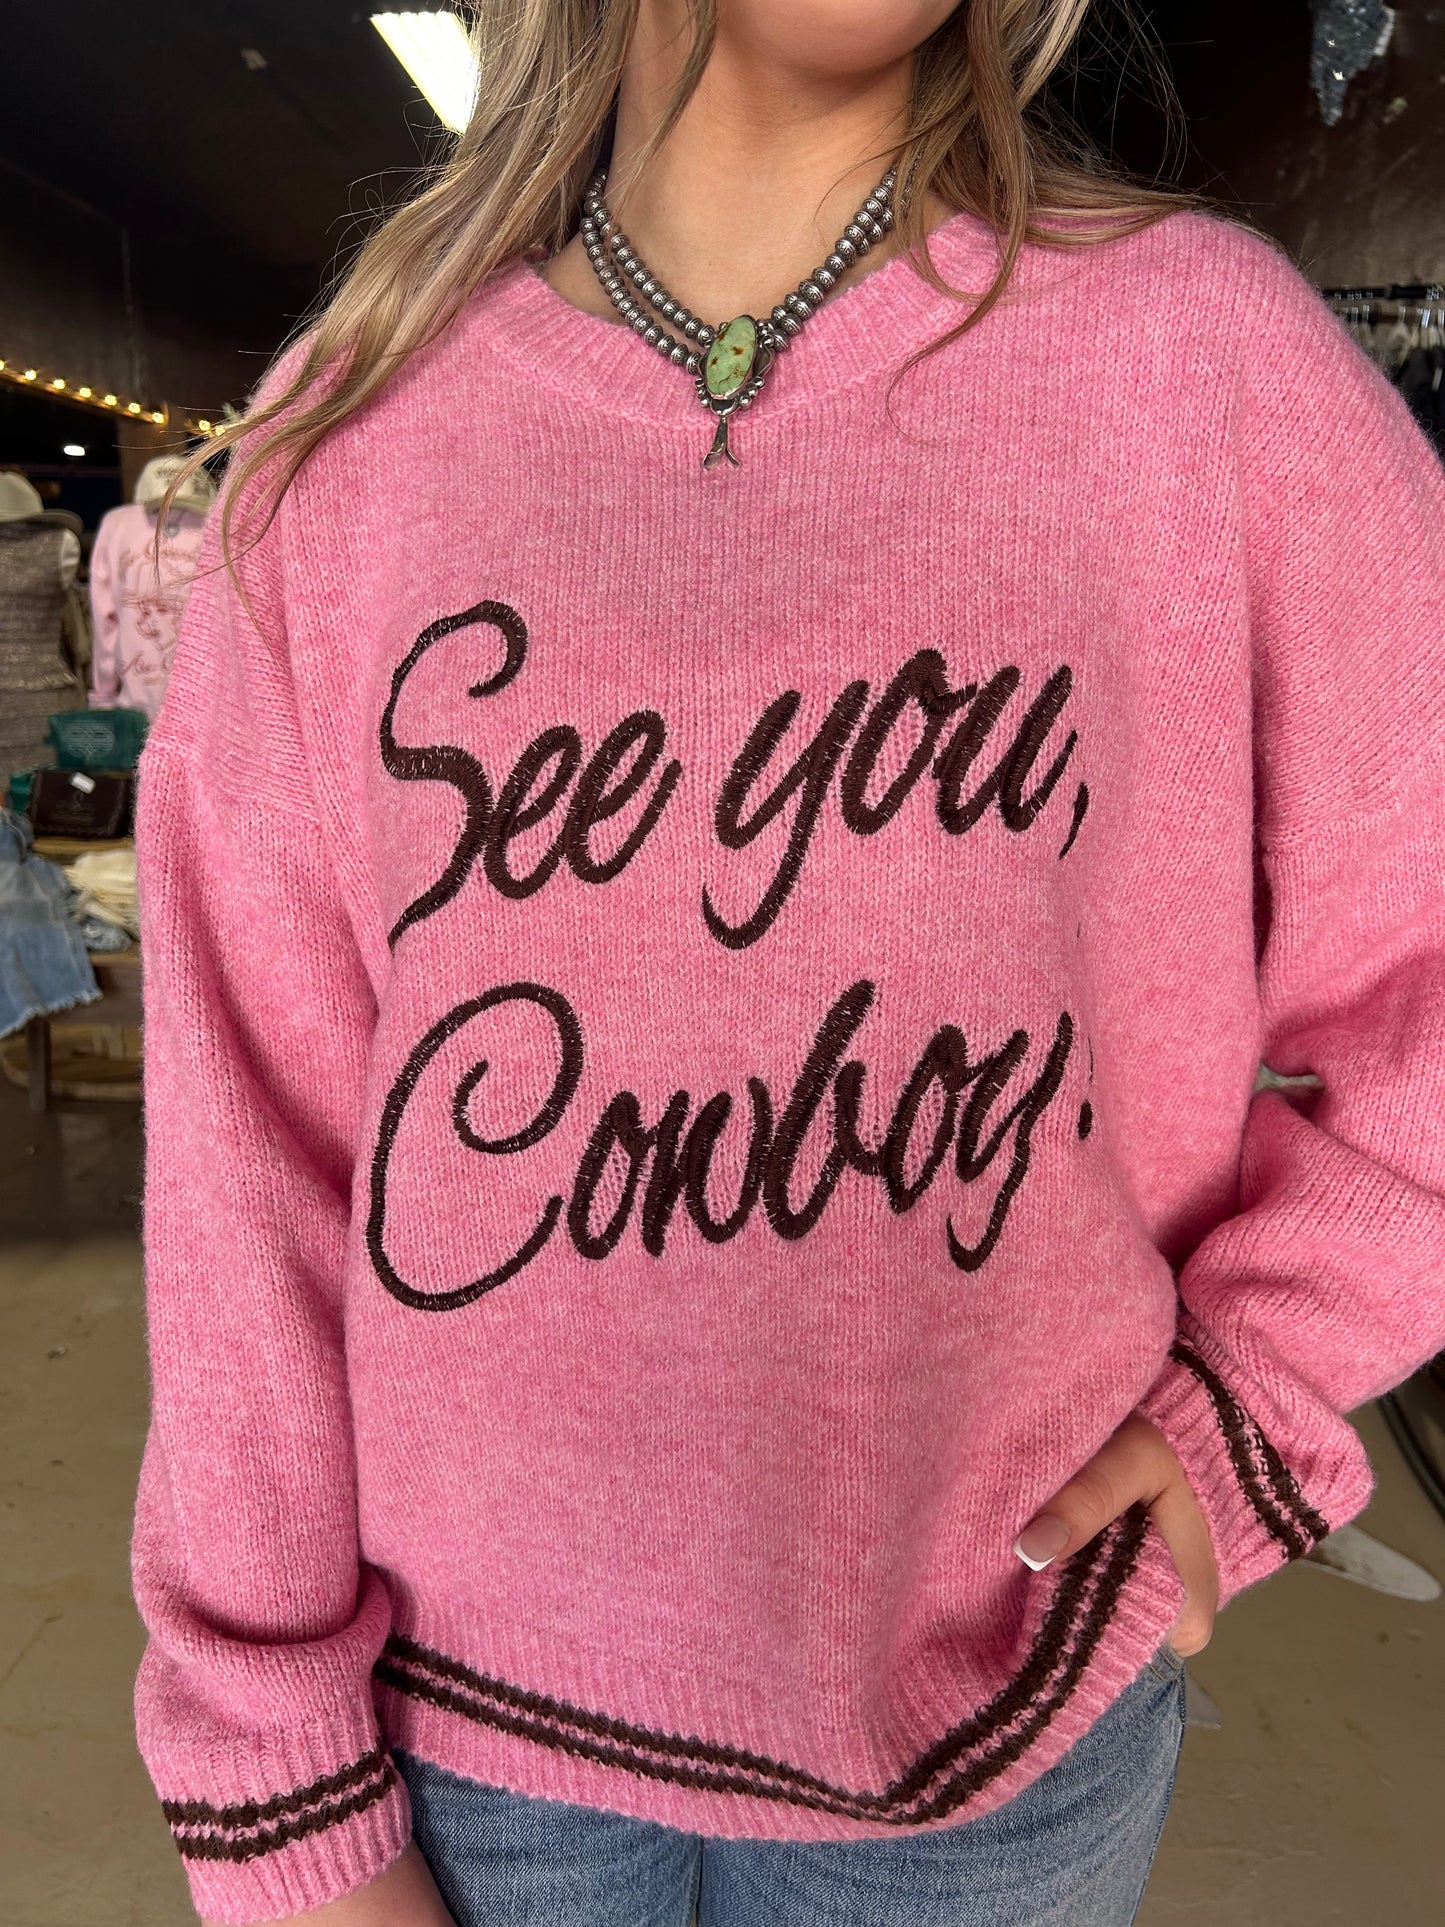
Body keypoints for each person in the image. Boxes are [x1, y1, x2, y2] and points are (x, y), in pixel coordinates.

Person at [130, 4, 1445, 1924]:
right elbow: (249, 1164)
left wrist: (1268, 1378)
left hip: (1000, 1711)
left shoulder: (1201, 362)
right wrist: (269, 1764)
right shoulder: (352, 436)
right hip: (454, 1740)